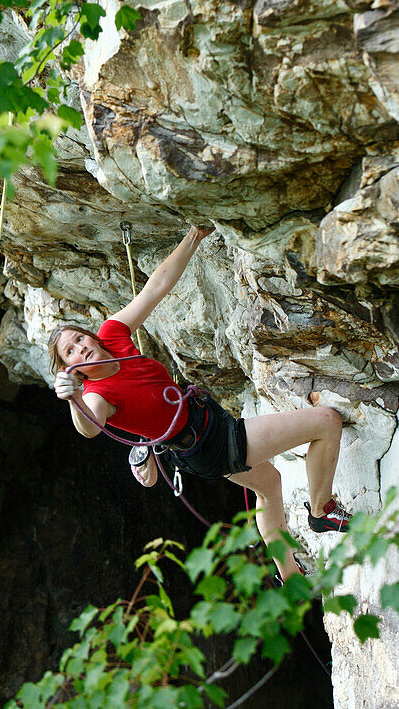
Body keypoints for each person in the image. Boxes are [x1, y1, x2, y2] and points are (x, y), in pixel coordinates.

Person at [50, 225, 351, 582]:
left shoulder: (112, 334)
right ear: (74, 369)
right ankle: (321, 510)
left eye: (78, 338)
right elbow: (88, 428)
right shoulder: (95, 395)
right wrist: (71, 398)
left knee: (269, 484)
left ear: (90, 336)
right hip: (207, 443)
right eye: (70, 351)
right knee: (326, 422)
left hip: (202, 429)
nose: (81, 347)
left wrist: (195, 235)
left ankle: (289, 573)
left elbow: (156, 287)